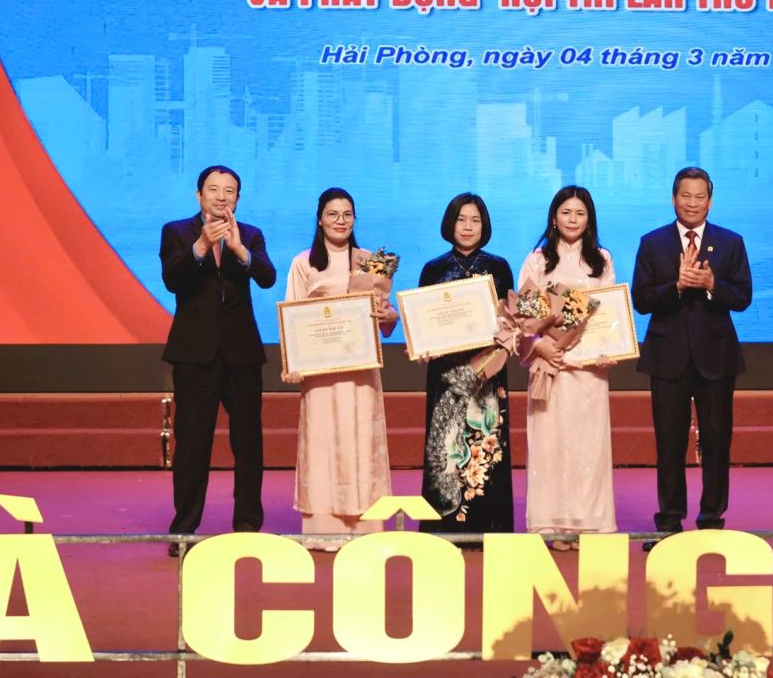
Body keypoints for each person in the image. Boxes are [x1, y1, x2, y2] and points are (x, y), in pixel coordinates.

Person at [159, 165, 276, 557]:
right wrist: (202, 247)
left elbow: (267, 277)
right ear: (199, 195)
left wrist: (240, 250)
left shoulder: (252, 234)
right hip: (195, 354)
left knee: (248, 443)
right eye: (213, 189)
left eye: (230, 191)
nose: (222, 197)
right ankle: (184, 530)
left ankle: (247, 524)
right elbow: (173, 280)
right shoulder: (176, 232)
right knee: (192, 443)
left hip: (241, 353)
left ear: (238, 199)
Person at [631, 166, 752, 539]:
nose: (693, 203)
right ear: (673, 198)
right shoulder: (652, 243)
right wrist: (677, 286)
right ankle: (669, 522)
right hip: (668, 359)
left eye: (700, 197)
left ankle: (712, 521)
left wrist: (714, 284)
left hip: (716, 358)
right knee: (669, 443)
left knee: (717, 440)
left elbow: (743, 297)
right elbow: (641, 299)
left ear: (710, 202)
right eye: (686, 195)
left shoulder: (731, 243)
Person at [283, 188, 397, 550]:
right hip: (320, 377)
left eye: (347, 214)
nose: (340, 221)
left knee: (360, 441)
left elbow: (387, 316)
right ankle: (323, 528)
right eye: (333, 214)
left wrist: (387, 315)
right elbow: (291, 315)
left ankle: (364, 529)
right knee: (323, 445)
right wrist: (294, 364)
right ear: (320, 218)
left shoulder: (369, 261)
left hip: (360, 374)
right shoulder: (304, 262)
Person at [518, 186, 617, 547]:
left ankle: (589, 524)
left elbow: (608, 315)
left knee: (588, 448)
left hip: (589, 372)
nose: (573, 219)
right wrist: (543, 346)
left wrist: (608, 350)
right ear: (554, 217)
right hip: (551, 369)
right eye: (566, 213)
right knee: (550, 445)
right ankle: (552, 525)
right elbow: (524, 318)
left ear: (589, 218)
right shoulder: (537, 260)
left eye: (580, 213)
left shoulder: (601, 260)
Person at [418, 193, 515, 536]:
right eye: (462, 219)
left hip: (486, 369)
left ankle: (490, 525)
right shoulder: (433, 269)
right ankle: (441, 526)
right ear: (450, 223)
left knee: (486, 443)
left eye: (475, 220)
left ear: (484, 225)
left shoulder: (499, 267)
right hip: (446, 372)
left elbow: (510, 319)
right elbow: (422, 321)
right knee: (445, 444)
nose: (468, 227)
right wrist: (423, 344)